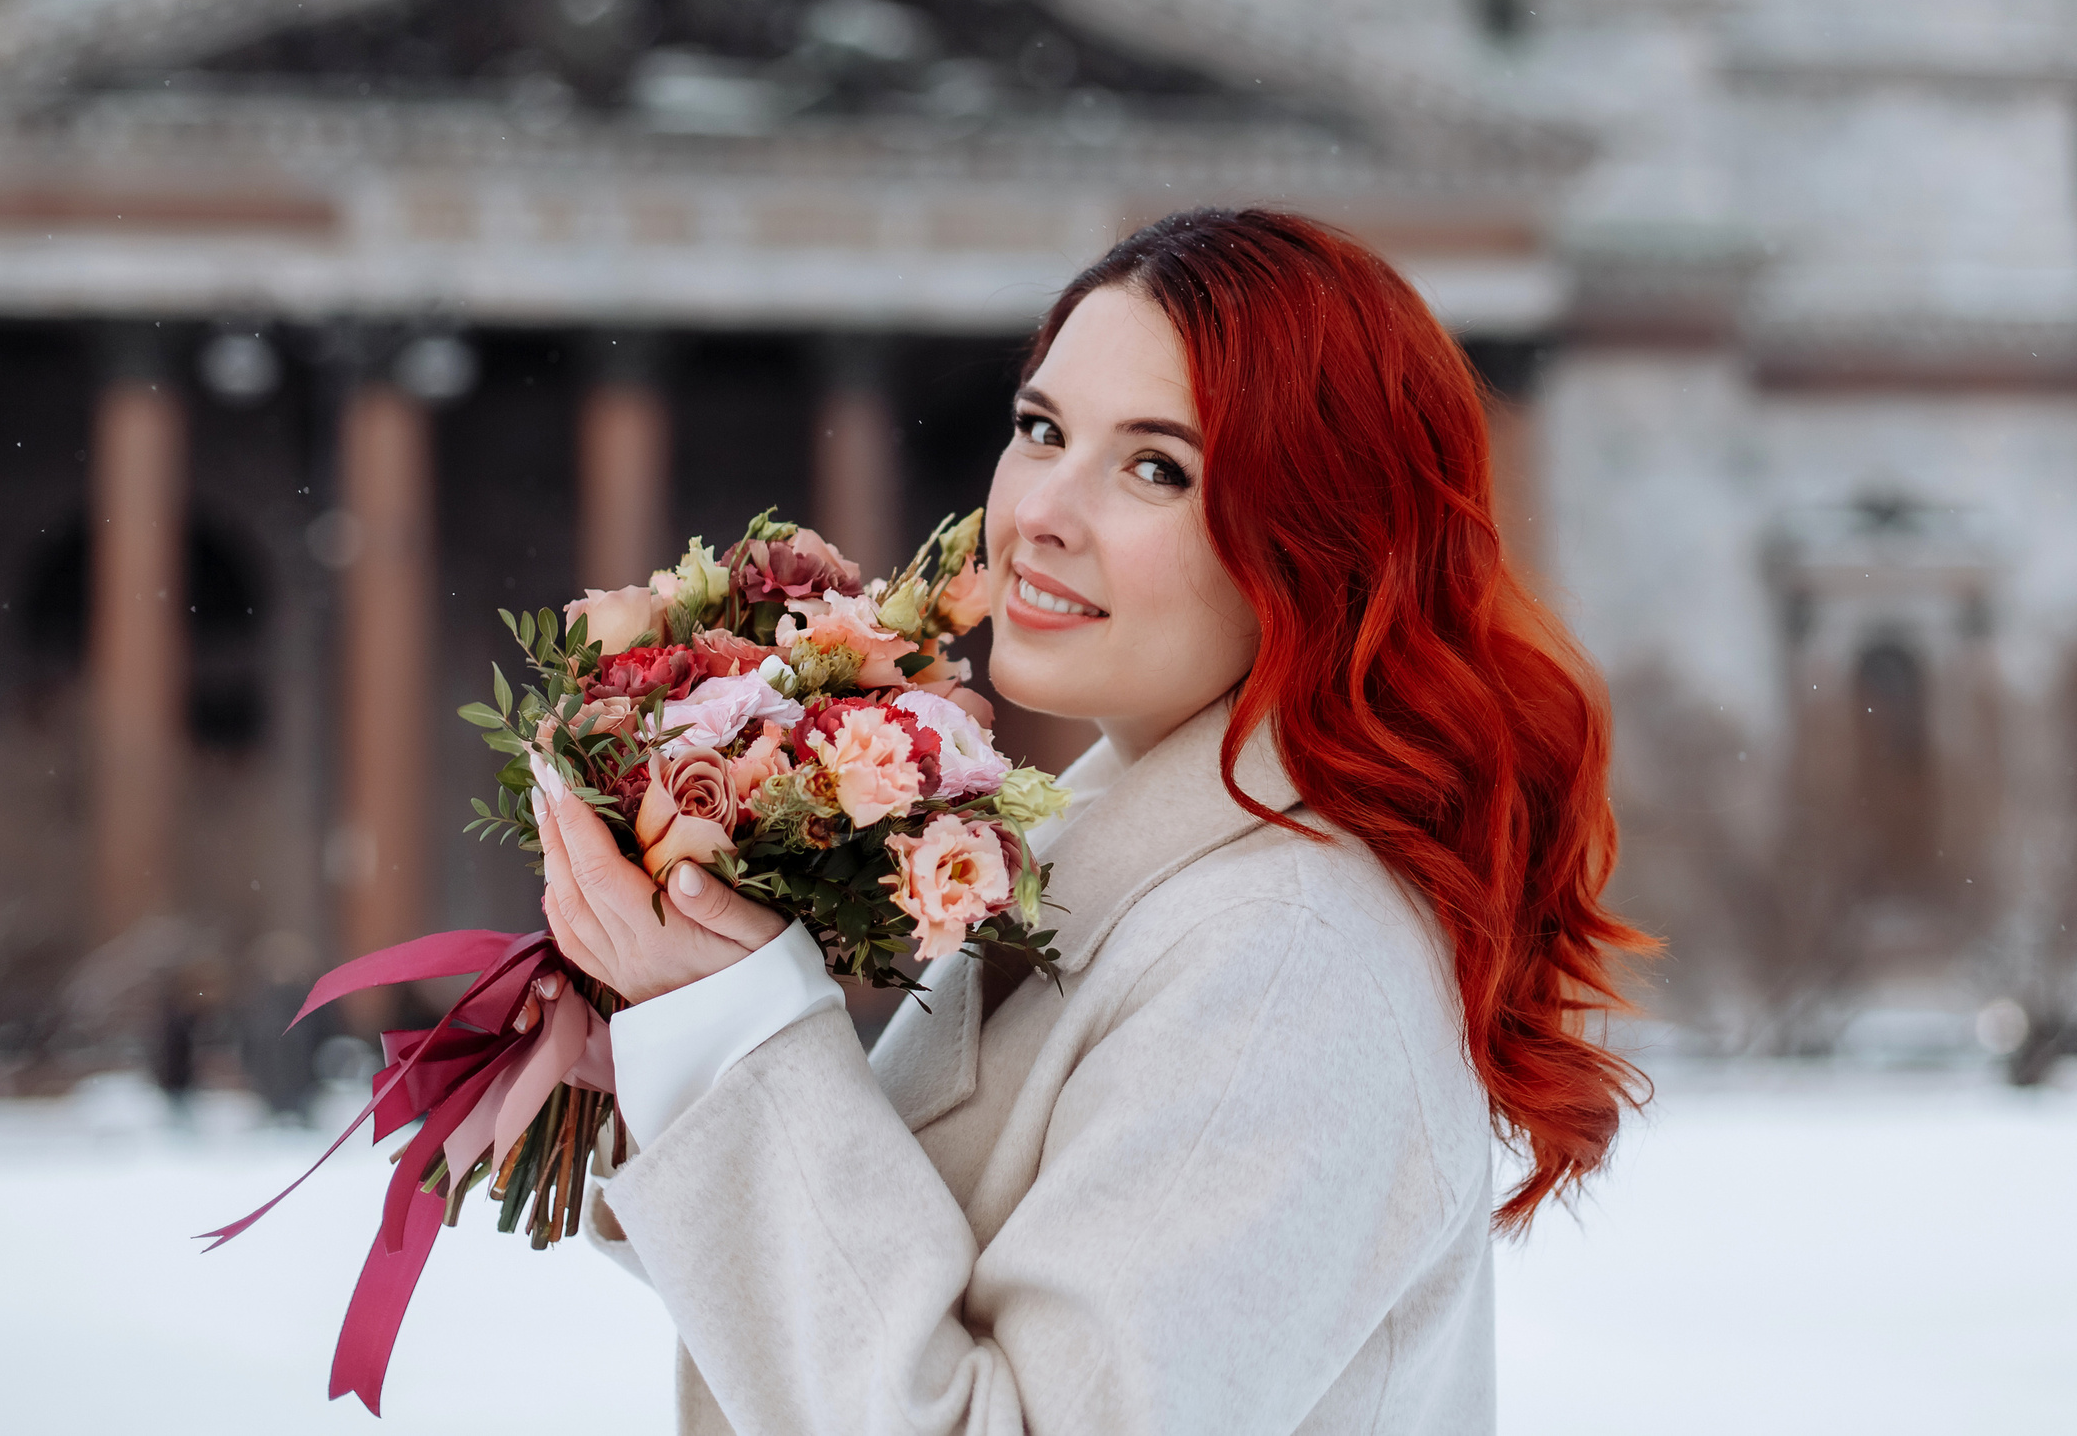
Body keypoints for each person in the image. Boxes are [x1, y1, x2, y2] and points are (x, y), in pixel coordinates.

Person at [537, 208, 1654, 1434]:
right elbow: (904, 1320)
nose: (1042, 513)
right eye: (1041, 430)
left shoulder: (1281, 958)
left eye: (1156, 466)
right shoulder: (1118, 859)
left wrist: (741, 1049)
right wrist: (678, 1030)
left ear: (1320, 544)